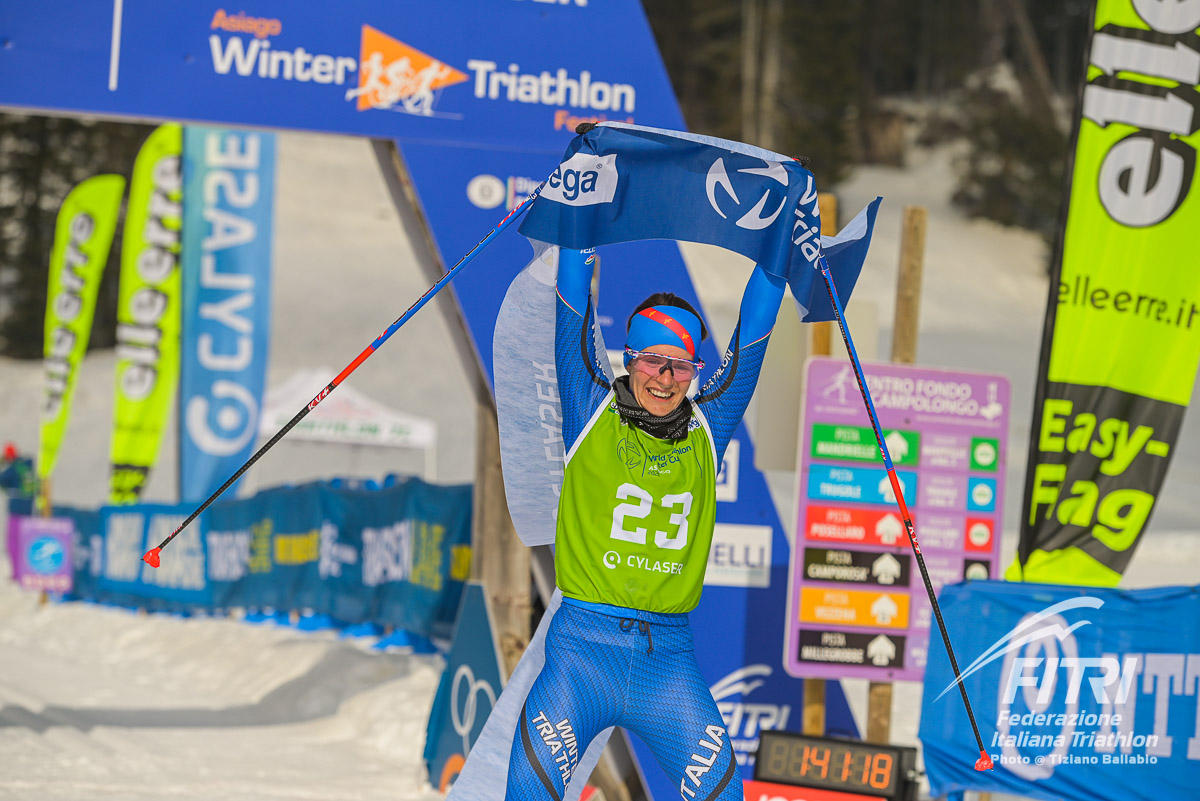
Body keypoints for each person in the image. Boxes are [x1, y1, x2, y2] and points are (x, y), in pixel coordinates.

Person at [504, 248, 785, 801]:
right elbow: (571, 304)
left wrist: (778, 252)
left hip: (667, 666)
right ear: (628, 359)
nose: (664, 377)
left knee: (724, 796)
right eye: (652, 361)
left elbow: (755, 330)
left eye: (681, 364)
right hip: (582, 656)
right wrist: (579, 210)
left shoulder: (709, 427)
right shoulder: (590, 407)